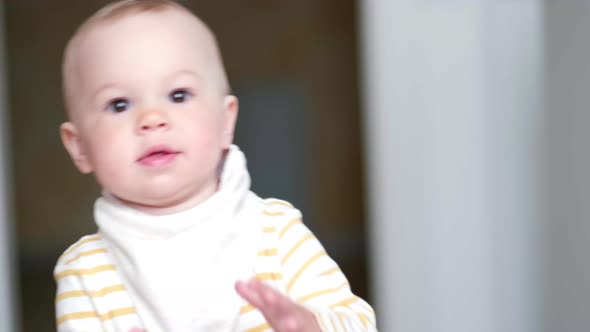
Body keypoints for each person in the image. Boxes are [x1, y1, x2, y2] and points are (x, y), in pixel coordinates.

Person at [53, 0, 377, 331]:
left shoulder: (275, 233)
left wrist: (310, 325)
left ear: (226, 121)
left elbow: (359, 323)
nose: (151, 119)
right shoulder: (85, 273)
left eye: (178, 95)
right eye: (118, 104)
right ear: (79, 147)